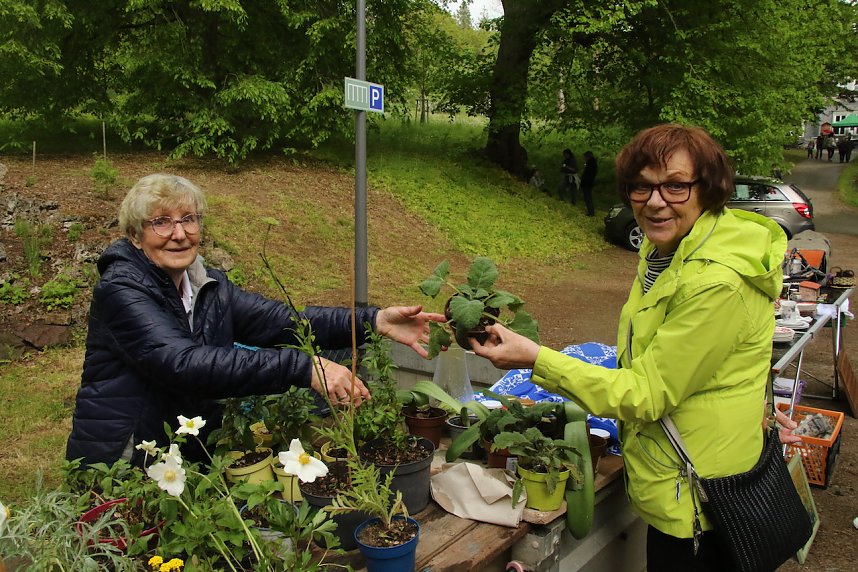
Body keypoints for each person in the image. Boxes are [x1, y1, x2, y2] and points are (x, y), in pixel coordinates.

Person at [469, 124, 797, 571]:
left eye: (676, 186)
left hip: (701, 500)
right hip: (689, 469)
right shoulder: (672, 250)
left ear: (709, 189)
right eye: (642, 187)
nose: (656, 201)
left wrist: (536, 358)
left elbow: (647, 393)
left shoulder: (715, 281)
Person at [66, 174, 445, 468]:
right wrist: (304, 367)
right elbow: (182, 363)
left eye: (189, 219)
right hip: (126, 454)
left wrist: (372, 320)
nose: (179, 234)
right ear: (135, 235)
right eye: (161, 223)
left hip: (186, 448)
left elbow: (281, 321)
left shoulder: (207, 285)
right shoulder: (121, 289)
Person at [580, 151, 598, 216]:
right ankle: (590, 211)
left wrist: (583, 182)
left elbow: (587, 175)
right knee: (587, 197)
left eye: (585, 157)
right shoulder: (591, 164)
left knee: (588, 197)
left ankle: (591, 212)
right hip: (588, 183)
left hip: (587, 183)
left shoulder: (591, 164)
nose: (584, 158)